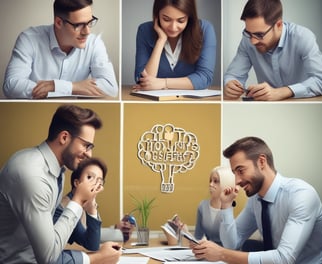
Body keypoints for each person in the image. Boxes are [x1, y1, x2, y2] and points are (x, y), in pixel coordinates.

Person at [0, 104, 121, 264]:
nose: (89, 154)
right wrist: (77, 200)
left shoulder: (58, 172)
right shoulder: (32, 175)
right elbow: (48, 257)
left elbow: (86, 241)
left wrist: (88, 205)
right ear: (64, 137)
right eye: (86, 145)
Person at [191, 137, 322, 263]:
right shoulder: (256, 200)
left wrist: (221, 254)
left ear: (262, 161)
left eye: (241, 170)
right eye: (234, 173)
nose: (237, 181)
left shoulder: (301, 195)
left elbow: (284, 258)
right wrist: (226, 206)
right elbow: (232, 244)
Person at [3, 0, 118, 99]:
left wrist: (58, 86)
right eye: (78, 25)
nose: (87, 32)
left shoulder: (94, 43)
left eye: (89, 22)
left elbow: (111, 87)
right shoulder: (29, 39)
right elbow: (11, 86)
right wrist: (75, 87)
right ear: (58, 22)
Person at [223, 0, 322, 101]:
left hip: (304, 108)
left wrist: (281, 92)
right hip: (266, 110)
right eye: (248, 33)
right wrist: (230, 84)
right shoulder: (247, 40)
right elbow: (233, 76)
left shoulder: (303, 37)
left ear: (278, 25)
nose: (253, 41)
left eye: (259, 34)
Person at [133, 0, 216, 91]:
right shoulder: (144, 30)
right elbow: (143, 81)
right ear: (157, 15)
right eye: (166, 19)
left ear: (189, 17)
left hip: (191, 102)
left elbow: (205, 78)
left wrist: (163, 83)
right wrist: (161, 41)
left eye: (181, 21)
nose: (173, 27)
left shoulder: (205, 29)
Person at [194, 166, 235, 245]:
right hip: (208, 253)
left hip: (228, 254)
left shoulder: (232, 209)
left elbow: (232, 242)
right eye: (210, 181)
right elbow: (197, 237)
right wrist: (184, 232)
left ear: (226, 183)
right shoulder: (202, 205)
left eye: (216, 181)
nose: (211, 184)